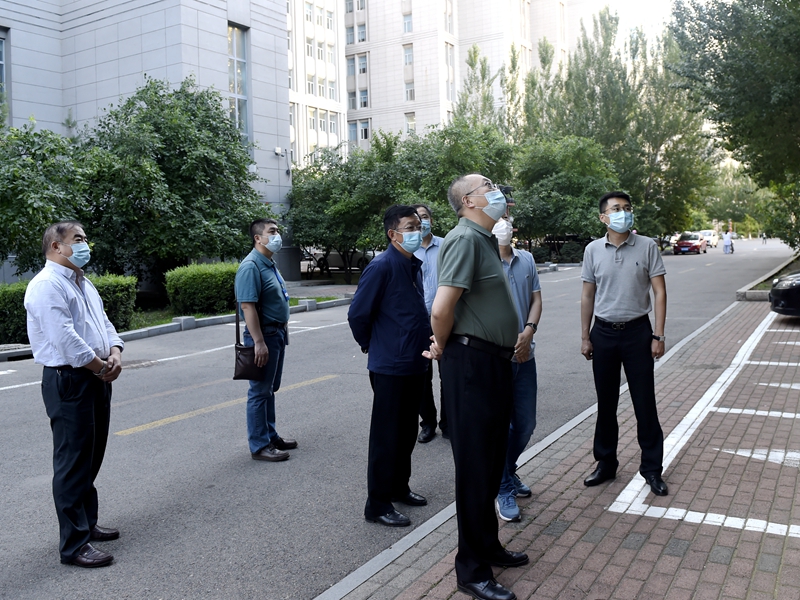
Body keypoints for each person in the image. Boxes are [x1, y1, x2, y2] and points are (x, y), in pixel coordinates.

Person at [426, 174, 529, 600]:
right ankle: (471, 570)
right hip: (471, 363)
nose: (496, 190)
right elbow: (441, 308)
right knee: (474, 468)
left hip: (492, 362)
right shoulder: (464, 239)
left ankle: (487, 545)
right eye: (487, 185)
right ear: (469, 201)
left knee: (489, 462)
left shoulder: (484, 240)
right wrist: (444, 345)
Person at [24, 221, 124, 568]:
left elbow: (104, 323)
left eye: (84, 239)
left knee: (91, 455)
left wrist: (115, 351)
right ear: (56, 246)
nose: (85, 245)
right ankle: (74, 545)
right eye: (77, 239)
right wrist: (100, 366)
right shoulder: (47, 285)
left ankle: (87, 523)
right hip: (70, 378)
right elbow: (65, 339)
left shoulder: (82, 282)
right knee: (72, 461)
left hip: (95, 374)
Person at [580, 191, 668, 497]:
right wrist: (585, 336)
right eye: (616, 209)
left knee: (645, 403)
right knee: (606, 404)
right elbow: (587, 295)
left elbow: (659, 292)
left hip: (638, 334)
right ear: (603, 217)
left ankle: (652, 469)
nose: (623, 213)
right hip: (603, 333)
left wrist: (658, 335)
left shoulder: (647, 246)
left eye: (627, 208)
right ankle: (606, 463)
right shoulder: (592, 250)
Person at [348, 205, 431, 527]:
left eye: (419, 225)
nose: (417, 231)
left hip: (415, 361)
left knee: (407, 431)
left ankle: (399, 487)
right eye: (410, 227)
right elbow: (358, 314)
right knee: (386, 437)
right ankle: (378, 504)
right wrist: (370, 343)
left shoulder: (412, 265)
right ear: (392, 234)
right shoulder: (381, 266)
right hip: (390, 365)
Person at [492, 218, 542, 523]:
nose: (503, 225)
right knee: (500, 426)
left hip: (525, 354)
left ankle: (507, 470)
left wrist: (529, 330)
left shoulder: (527, 259)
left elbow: (536, 299)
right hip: (496, 357)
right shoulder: (483, 260)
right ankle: (502, 487)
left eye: (507, 221)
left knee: (525, 423)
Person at [234, 218, 296, 462]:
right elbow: (247, 306)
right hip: (263, 336)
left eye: (277, 231)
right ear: (257, 238)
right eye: (272, 232)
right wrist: (258, 342)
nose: (277, 235)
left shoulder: (268, 263)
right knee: (260, 391)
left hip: (276, 334)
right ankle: (259, 445)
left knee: (270, 388)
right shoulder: (251, 266)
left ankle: (270, 435)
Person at [411, 203, 448, 443]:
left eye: (424, 217)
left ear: (431, 221)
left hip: (445, 318)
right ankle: (428, 423)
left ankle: (449, 422)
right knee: (422, 376)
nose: (421, 222)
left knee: (449, 374)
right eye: (416, 218)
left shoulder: (446, 246)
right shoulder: (408, 250)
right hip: (419, 322)